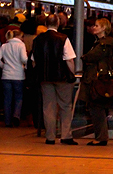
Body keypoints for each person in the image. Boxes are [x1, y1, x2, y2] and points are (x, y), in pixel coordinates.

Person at [31, 14, 78, 145]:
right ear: (58, 24)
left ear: (46, 24)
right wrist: (72, 74)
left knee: (48, 107)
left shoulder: (38, 40)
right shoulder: (63, 39)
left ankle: (50, 136)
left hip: (45, 77)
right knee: (65, 106)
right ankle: (65, 135)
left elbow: (34, 61)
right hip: (62, 77)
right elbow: (69, 59)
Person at [81, 18, 113, 146]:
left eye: (97, 26)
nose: (94, 28)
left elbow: (91, 56)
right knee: (97, 109)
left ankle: (101, 137)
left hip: (97, 80)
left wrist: (85, 57)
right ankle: (101, 136)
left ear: (103, 28)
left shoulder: (103, 44)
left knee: (97, 109)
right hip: (100, 79)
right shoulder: (101, 43)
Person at [0, 28, 28, 127]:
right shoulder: (21, 45)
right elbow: (24, 59)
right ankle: (16, 116)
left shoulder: (4, 46)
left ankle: (7, 121)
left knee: (7, 98)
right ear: (19, 36)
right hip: (18, 75)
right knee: (18, 97)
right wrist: (26, 64)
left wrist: (3, 66)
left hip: (6, 75)